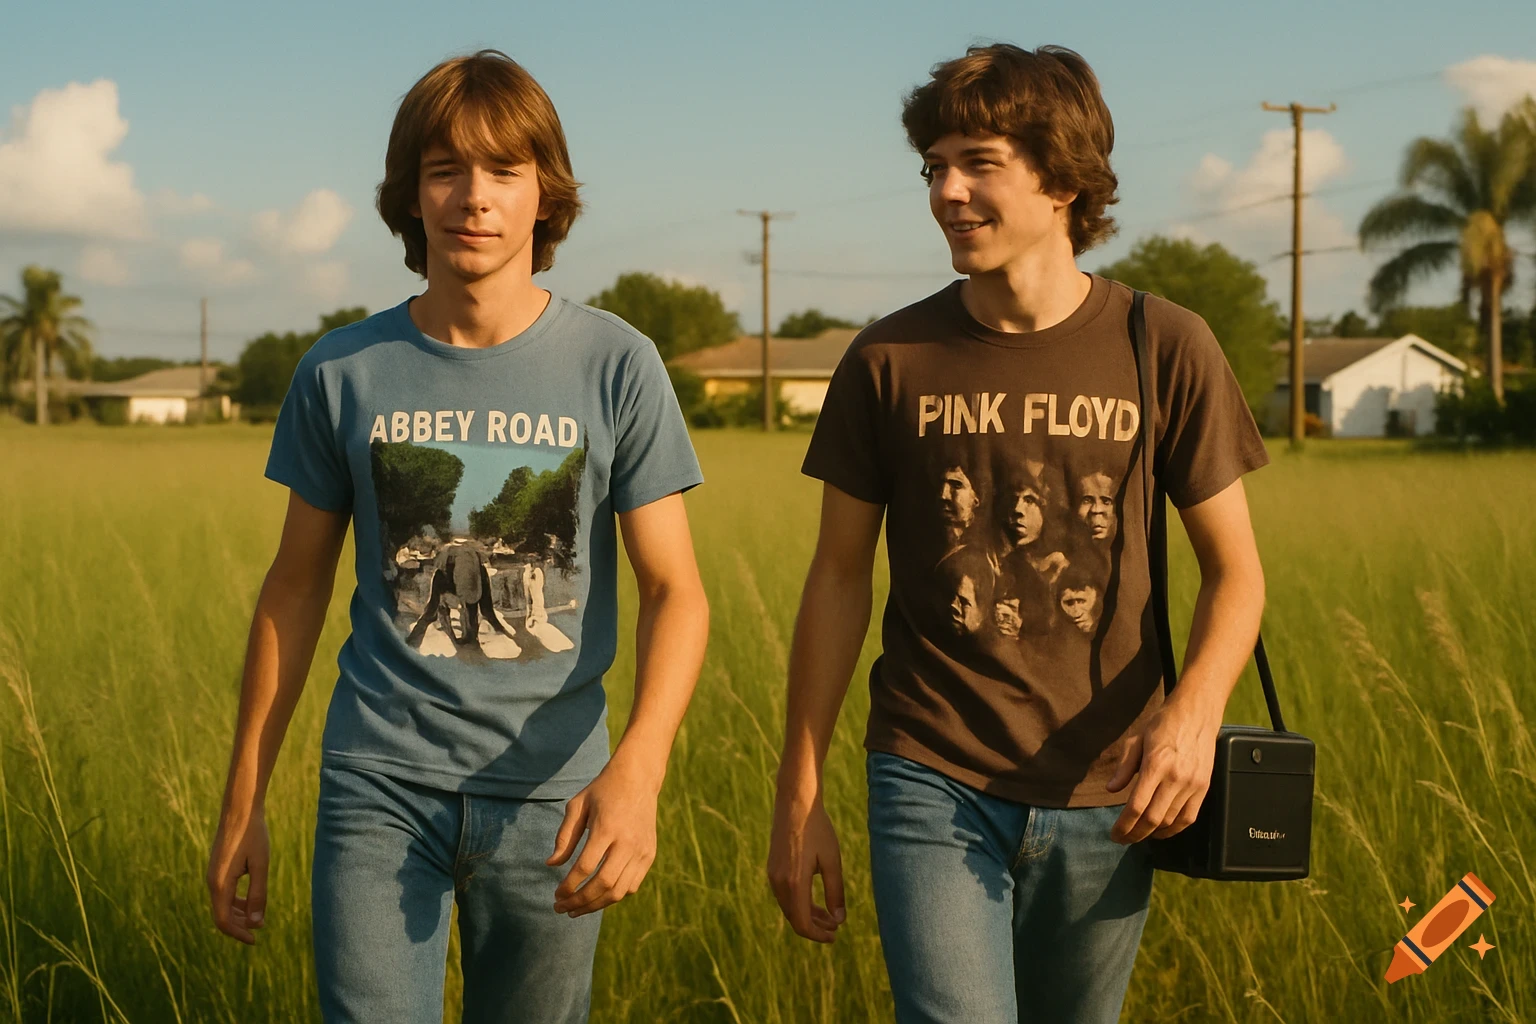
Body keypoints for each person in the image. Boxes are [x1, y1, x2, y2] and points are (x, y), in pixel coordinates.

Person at [768, 43, 1269, 1024]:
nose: (947, 192)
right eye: (934, 167)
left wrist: (1193, 716)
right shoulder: (888, 359)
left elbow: (1236, 572)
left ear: (1063, 179)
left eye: (979, 164)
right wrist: (800, 794)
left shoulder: (1165, 345)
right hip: (931, 771)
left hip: (1113, 784)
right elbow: (837, 579)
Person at [205, 50, 709, 1024]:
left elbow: (676, 591)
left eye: (504, 171)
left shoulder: (617, 366)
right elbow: (293, 589)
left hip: (556, 798)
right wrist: (243, 803)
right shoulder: (342, 371)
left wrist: (639, 772)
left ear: (545, 195)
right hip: (378, 787)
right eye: (445, 170)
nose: (474, 197)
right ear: (410, 195)